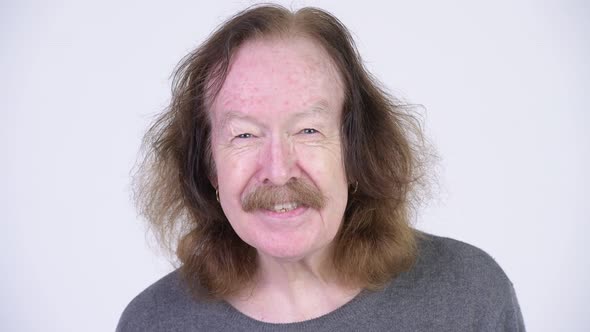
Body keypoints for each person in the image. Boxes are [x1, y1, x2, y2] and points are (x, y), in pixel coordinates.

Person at [117, 4, 524, 331]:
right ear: (209, 168)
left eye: (309, 130)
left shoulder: (469, 295)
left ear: (356, 153)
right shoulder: (151, 322)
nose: (277, 171)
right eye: (244, 135)